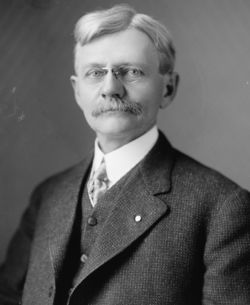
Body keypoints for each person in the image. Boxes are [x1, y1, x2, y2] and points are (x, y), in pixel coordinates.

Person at [0, 4, 250, 305]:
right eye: (95, 73)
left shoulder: (223, 207)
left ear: (168, 88)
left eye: (131, 71)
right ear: (78, 92)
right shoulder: (47, 196)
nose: (110, 88)